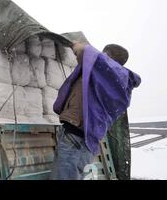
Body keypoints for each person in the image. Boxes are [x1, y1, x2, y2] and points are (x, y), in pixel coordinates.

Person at [50, 42, 141, 180]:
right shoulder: (118, 83)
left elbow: (84, 51)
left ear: (108, 57)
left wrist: (77, 45)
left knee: (63, 176)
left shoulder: (107, 70)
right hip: (89, 138)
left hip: (75, 132)